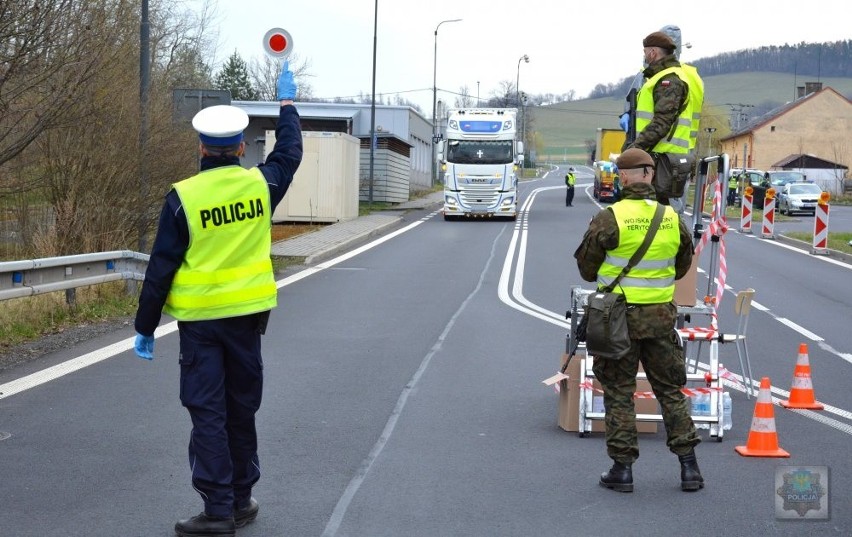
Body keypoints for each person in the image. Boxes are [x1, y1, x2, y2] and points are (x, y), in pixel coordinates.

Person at [133, 61, 302, 536]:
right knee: (241, 408)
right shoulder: (261, 185)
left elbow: (161, 266)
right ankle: (243, 499)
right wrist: (287, 105)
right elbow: (290, 153)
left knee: (208, 411)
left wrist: (145, 327)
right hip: (249, 321)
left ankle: (217, 510)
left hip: (201, 326)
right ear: (242, 148)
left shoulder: (183, 197)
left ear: (202, 147)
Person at [574, 147, 702, 493]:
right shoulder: (672, 218)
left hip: (617, 321)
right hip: (660, 319)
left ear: (625, 177)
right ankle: (689, 468)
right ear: (650, 175)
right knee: (670, 392)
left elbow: (587, 271)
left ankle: (622, 470)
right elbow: (682, 267)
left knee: (619, 392)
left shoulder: (609, 217)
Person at [624, 31, 704, 209]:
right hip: (658, 157)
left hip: (663, 160)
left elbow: (661, 123)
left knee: (659, 213)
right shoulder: (661, 77)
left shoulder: (669, 80)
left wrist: (634, 150)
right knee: (652, 212)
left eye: (645, 52)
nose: (644, 57)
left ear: (653, 53)